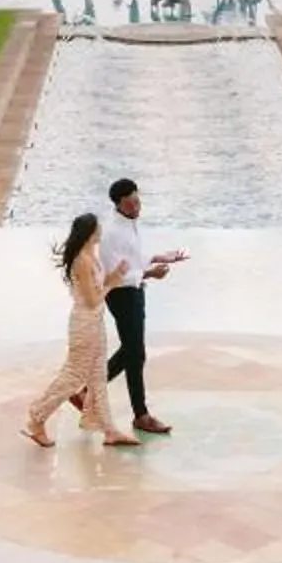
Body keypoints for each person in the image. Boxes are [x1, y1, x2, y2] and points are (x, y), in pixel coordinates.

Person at [23, 212, 138, 448]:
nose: (101, 231)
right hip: (84, 324)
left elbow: (97, 291)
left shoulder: (90, 256)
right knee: (74, 375)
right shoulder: (82, 261)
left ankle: (110, 430)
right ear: (90, 232)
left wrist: (115, 276)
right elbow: (93, 299)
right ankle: (36, 418)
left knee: (98, 377)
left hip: (95, 323)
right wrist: (114, 280)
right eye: (98, 228)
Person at [98, 176, 184, 435]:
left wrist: (159, 257)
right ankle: (141, 415)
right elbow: (114, 273)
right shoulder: (111, 232)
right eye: (130, 204)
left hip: (134, 291)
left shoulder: (129, 224)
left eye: (137, 201)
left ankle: (89, 390)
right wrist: (150, 274)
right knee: (135, 354)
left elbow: (133, 257)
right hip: (121, 294)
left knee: (132, 351)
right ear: (118, 204)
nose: (137, 207)